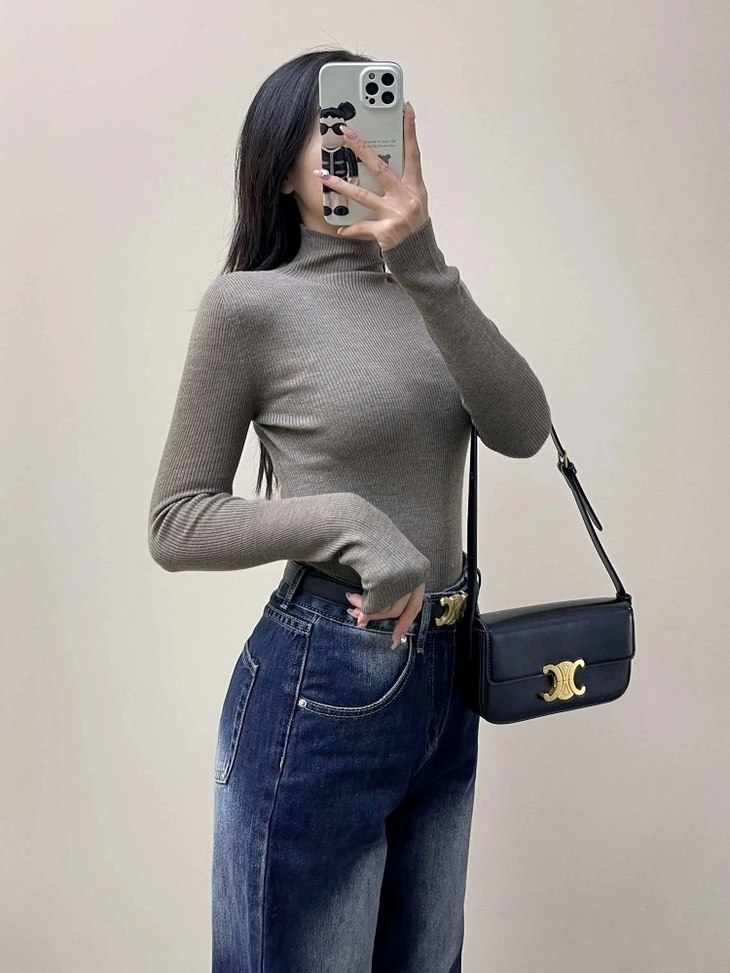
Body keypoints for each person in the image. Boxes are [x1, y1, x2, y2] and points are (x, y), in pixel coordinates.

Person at [147, 48, 552, 973]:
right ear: (279, 169)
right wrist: (349, 522)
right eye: (329, 129)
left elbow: (524, 428)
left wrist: (424, 259)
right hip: (323, 677)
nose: (355, 145)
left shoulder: (427, 291)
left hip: (447, 677)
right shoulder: (248, 307)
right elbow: (175, 518)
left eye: (372, 123)